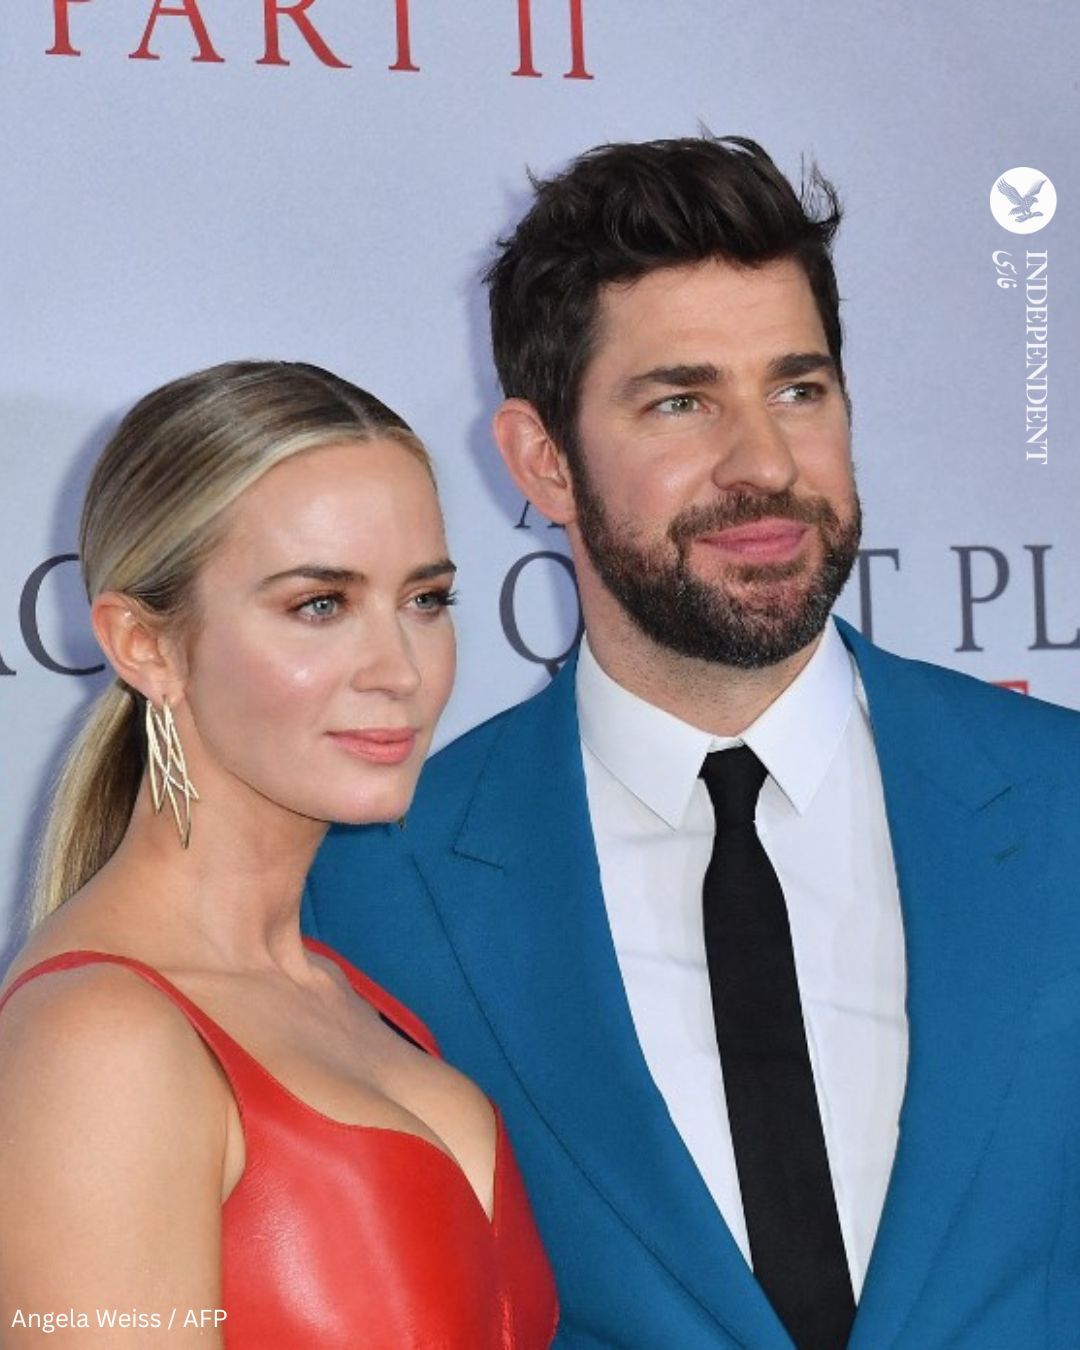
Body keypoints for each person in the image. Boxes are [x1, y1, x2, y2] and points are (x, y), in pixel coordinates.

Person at [304, 136, 1080, 1350]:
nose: (764, 463)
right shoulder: (375, 890)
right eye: (681, 402)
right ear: (544, 461)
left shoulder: (1060, 798)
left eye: (798, 390)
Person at [0, 361, 558, 1349]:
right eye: (320, 604)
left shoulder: (347, 995)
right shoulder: (100, 1045)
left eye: (426, 599)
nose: (400, 670)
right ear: (145, 645)